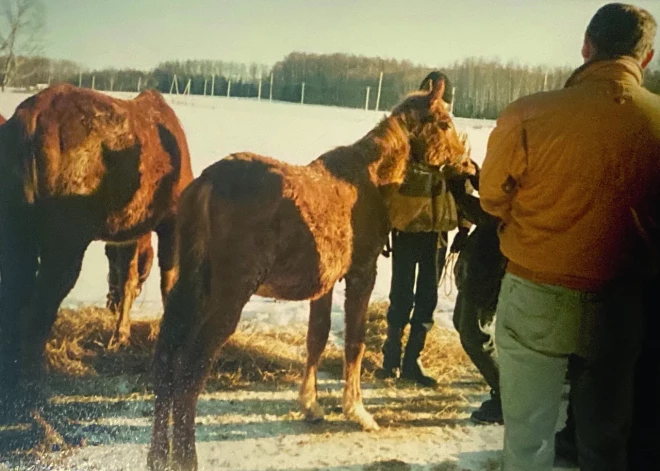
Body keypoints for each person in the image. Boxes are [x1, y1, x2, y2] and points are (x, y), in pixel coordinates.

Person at [479, 3, 660, 471]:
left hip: (535, 293)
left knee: (528, 441)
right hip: (621, 303)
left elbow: (492, 198)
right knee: (605, 441)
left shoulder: (528, 114)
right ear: (646, 58)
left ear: (586, 46)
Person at [376, 71, 471, 387]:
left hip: (435, 230)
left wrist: (464, 226)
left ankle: (409, 360)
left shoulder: (451, 137)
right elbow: (386, 180)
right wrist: (383, 226)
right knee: (401, 293)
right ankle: (391, 359)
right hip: (408, 226)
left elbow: (462, 183)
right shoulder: (404, 133)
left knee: (426, 296)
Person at [445, 165, 506, 425]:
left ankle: (507, 398)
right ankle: (506, 393)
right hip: (482, 264)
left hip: (491, 268)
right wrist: (476, 177)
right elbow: (496, 194)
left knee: (474, 334)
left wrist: (459, 193)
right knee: (465, 325)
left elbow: (493, 212)